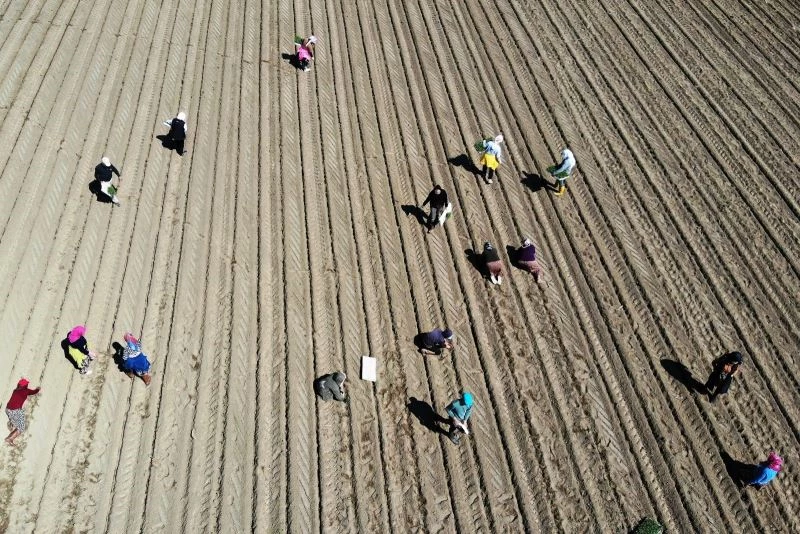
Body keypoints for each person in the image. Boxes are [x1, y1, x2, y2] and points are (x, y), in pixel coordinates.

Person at [5, 378, 40, 446]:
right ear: (25, 385)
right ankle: (10, 438)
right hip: (16, 410)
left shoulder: (15, 390)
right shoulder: (26, 391)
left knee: (14, 418)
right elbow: (34, 392)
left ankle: (11, 423)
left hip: (8, 409)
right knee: (21, 427)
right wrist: (38, 389)